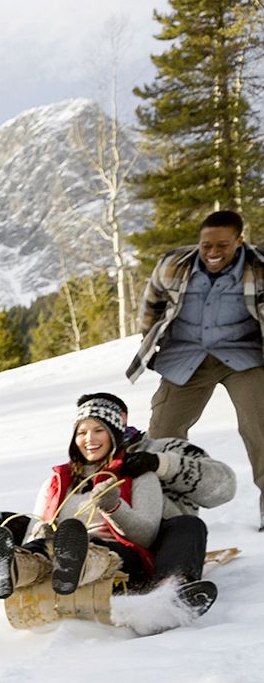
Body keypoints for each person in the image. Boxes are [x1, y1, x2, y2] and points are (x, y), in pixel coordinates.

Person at [0, 394, 213, 619]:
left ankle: (166, 596)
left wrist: (114, 507)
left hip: (119, 556)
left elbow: (145, 535)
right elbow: (38, 529)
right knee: (14, 530)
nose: (90, 438)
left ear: (115, 435)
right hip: (57, 549)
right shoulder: (57, 481)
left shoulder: (137, 476)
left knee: (85, 546)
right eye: (82, 432)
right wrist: (40, 533)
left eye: (99, 430)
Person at [129, 209, 264, 530]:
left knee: (260, 430)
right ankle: (163, 514)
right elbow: (151, 305)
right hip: (186, 355)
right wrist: (151, 344)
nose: (213, 253)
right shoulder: (174, 264)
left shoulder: (259, 267)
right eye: (206, 246)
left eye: (222, 245)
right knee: (161, 436)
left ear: (239, 241)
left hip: (243, 355)